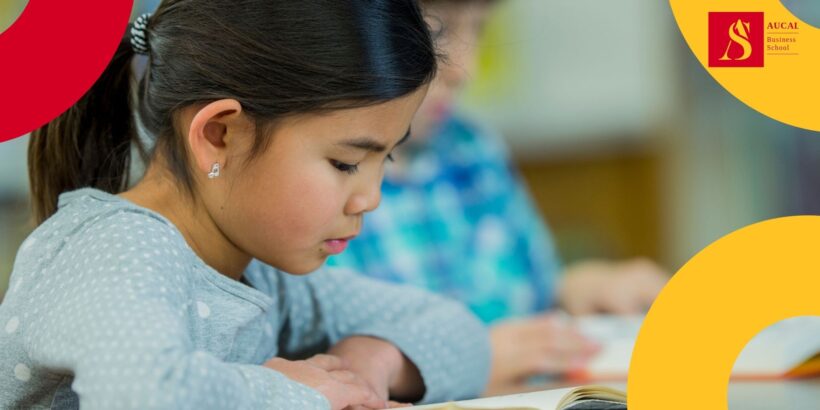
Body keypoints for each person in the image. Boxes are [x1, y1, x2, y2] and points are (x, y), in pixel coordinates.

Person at [0, 1, 491, 409]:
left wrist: (371, 364)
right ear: (219, 135)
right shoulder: (116, 248)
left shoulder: (261, 274)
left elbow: (457, 331)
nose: (371, 197)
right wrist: (299, 393)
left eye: (387, 156)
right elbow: (145, 393)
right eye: (345, 163)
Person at [328, 0, 669, 391]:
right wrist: (460, 366)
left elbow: (531, 292)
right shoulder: (320, 187)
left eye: (480, 30)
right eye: (435, 31)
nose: (465, 69)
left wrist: (577, 289)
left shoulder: (472, 147)